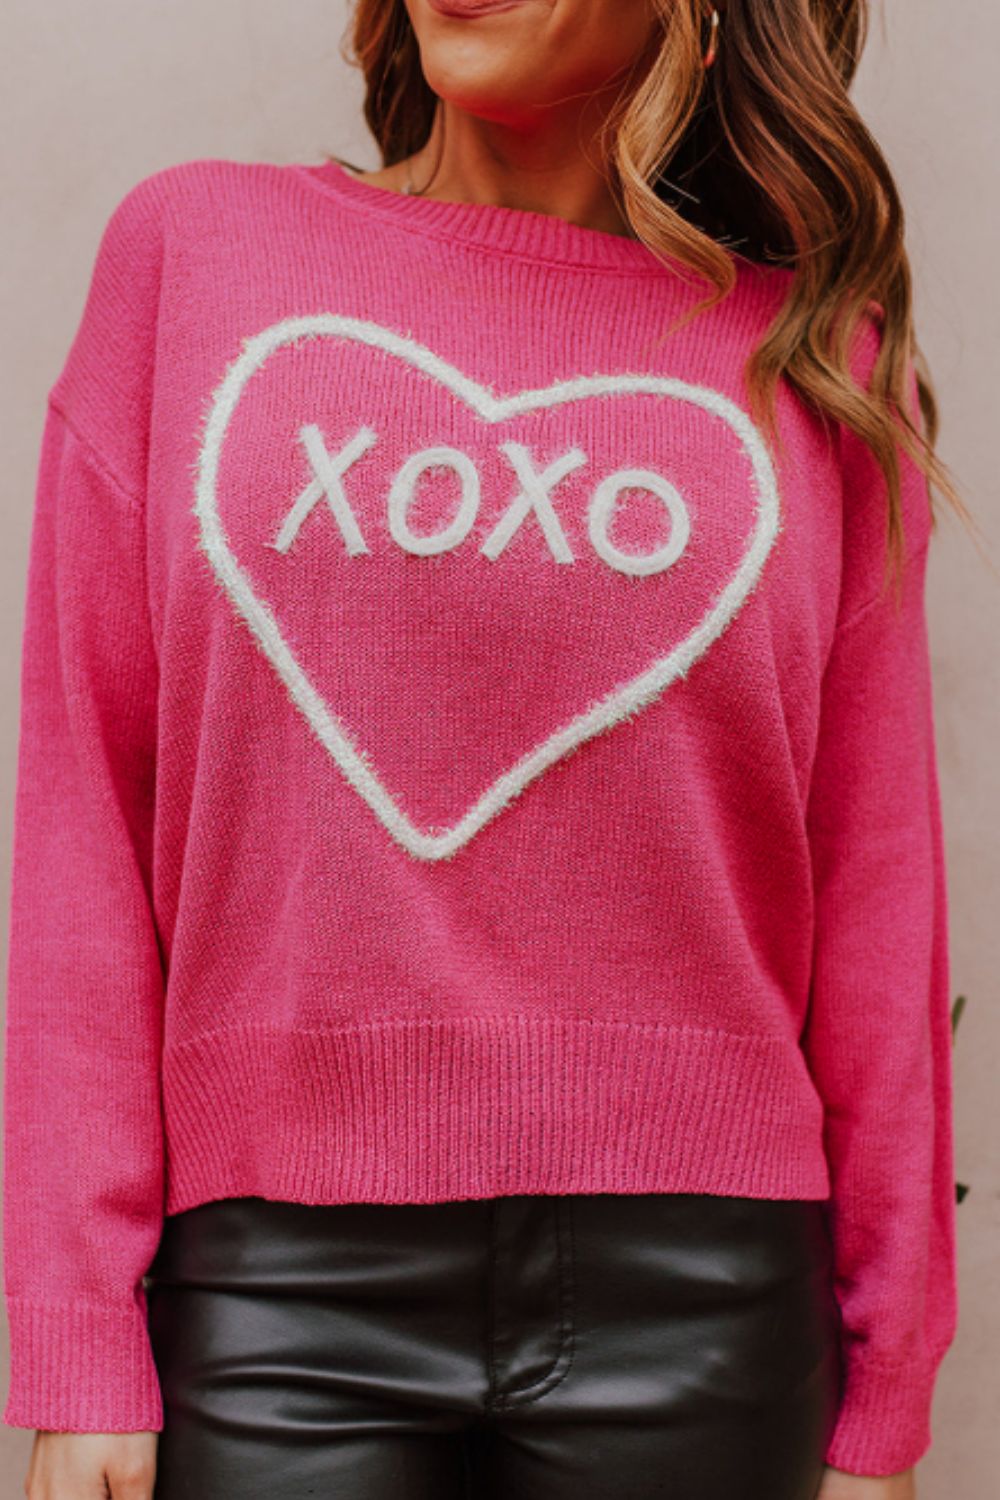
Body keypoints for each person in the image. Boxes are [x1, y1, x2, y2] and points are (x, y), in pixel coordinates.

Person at [3, 1, 972, 1497]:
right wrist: (75, 1335)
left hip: (705, 1299)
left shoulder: (818, 361)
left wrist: (888, 1387)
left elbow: (879, 890)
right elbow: (83, 818)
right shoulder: (195, 253)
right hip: (269, 1295)